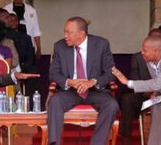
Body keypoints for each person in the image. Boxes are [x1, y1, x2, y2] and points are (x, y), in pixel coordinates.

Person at [48, 17, 119, 145]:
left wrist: (92, 81)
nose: (65, 36)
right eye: (65, 32)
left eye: (69, 32)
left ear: (82, 33)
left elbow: (111, 72)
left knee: (112, 105)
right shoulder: (59, 46)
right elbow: (53, 73)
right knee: (54, 101)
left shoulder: (101, 44)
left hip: (94, 91)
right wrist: (70, 82)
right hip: (71, 91)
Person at [119, 28, 161, 145]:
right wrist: (148, 92)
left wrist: (157, 92)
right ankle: (126, 137)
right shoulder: (138, 57)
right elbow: (135, 79)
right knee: (127, 98)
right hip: (144, 95)